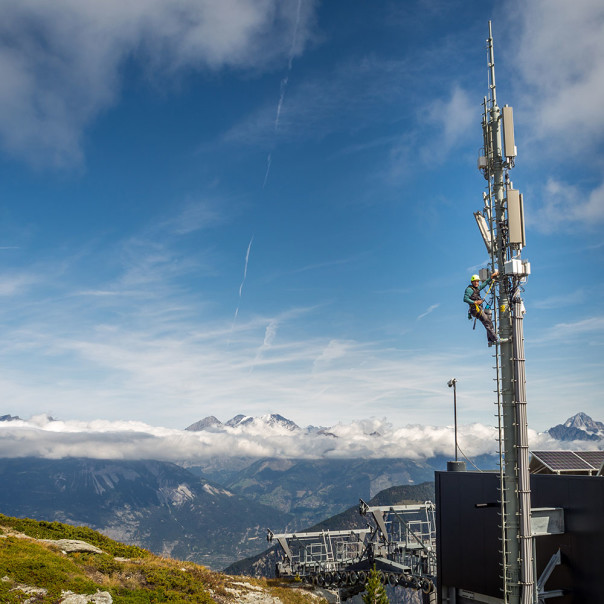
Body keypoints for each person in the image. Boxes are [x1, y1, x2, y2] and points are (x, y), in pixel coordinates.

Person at [464, 271, 499, 345]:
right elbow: (465, 299)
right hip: (475, 309)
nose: (477, 283)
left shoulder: (476, 289)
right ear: (472, 282)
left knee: (489, 322)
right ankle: (495, 339)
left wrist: (491, 277)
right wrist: (475, 302)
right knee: (487, 322)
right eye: (475, 281)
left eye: (477, 281)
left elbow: (484, 284)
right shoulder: (470, 289)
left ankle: (490, 340)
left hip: (478, 309)